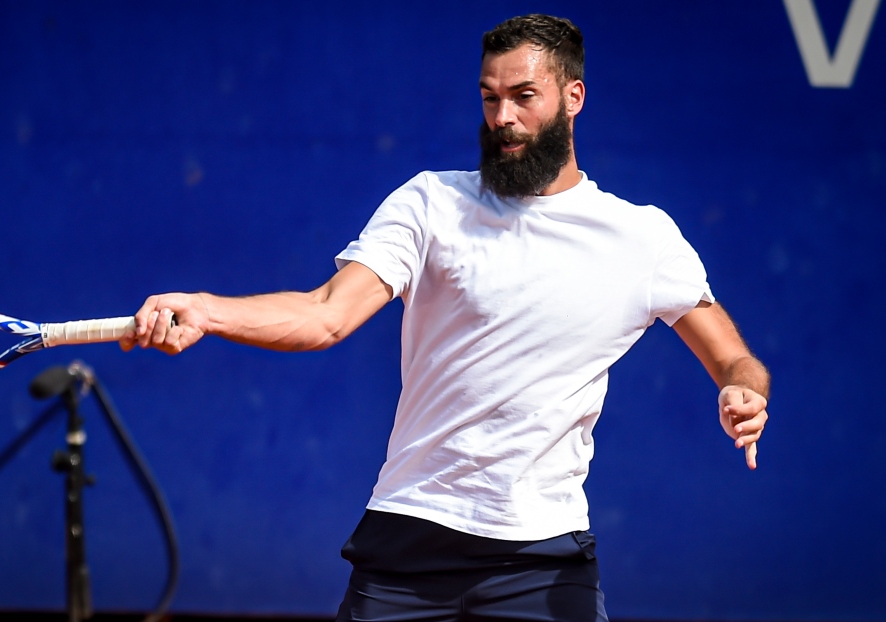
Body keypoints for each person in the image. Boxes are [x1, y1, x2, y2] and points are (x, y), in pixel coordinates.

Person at [119, 13, 770, 622]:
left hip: (543, 554)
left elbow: (732, 357)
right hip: (408, 537)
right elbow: (326, 315)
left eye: (523, 97)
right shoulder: (431, 203)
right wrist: (209, 311)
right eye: (489, 99)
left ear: (573, 98)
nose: (502, 119)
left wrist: (741, 389)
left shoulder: (641, 237)